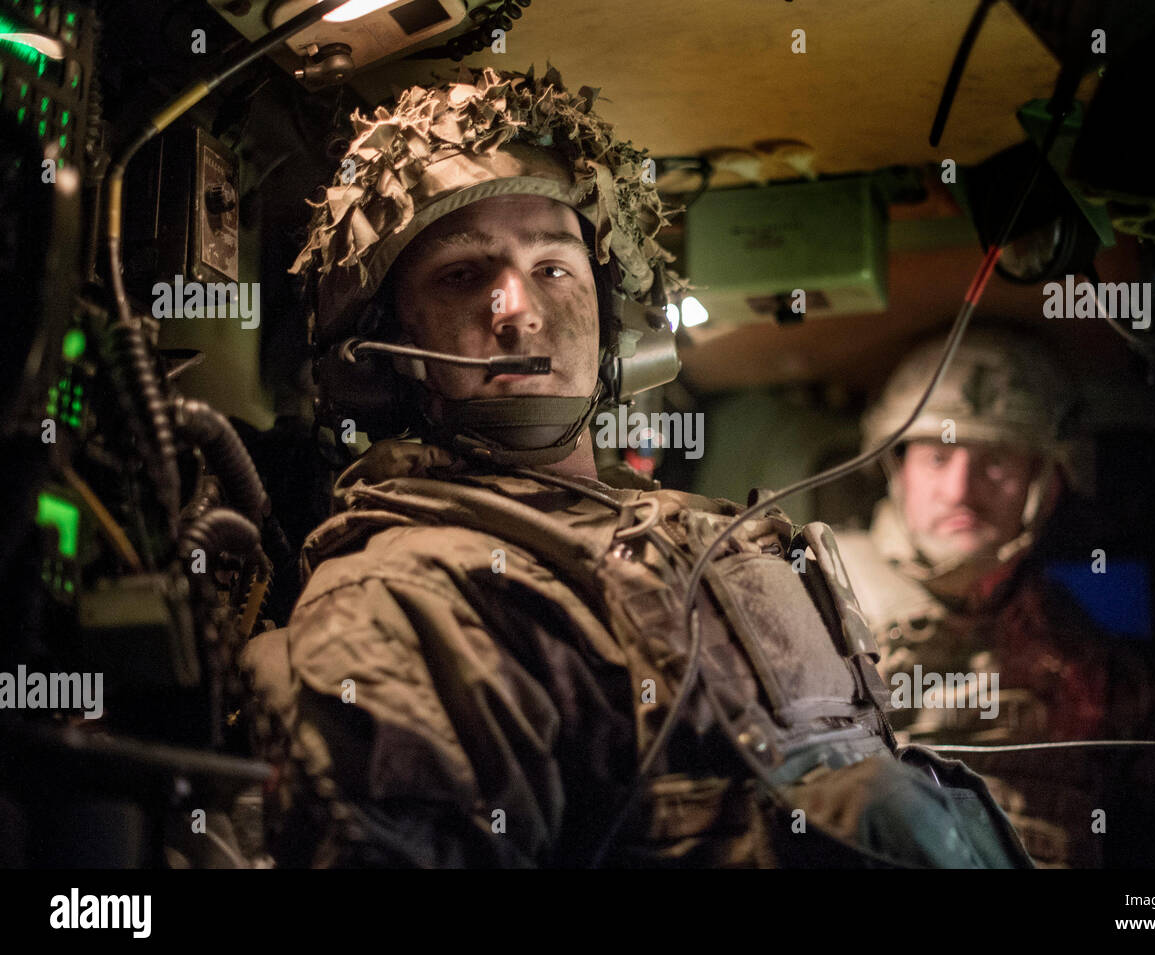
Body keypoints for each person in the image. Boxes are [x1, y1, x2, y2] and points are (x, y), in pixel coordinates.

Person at [238, 66, 1033, 868]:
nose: (519, 307)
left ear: (620, 324)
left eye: (553, 267)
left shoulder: (710, 533)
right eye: (462, 275)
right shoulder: (406, 597)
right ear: (379, 354)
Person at [836, 329, 1155, 866]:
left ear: (1047, 478)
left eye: (996, 458)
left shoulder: (1068, 640)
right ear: (897, 469)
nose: (960, 490)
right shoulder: (817, 591)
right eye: (937, 457)